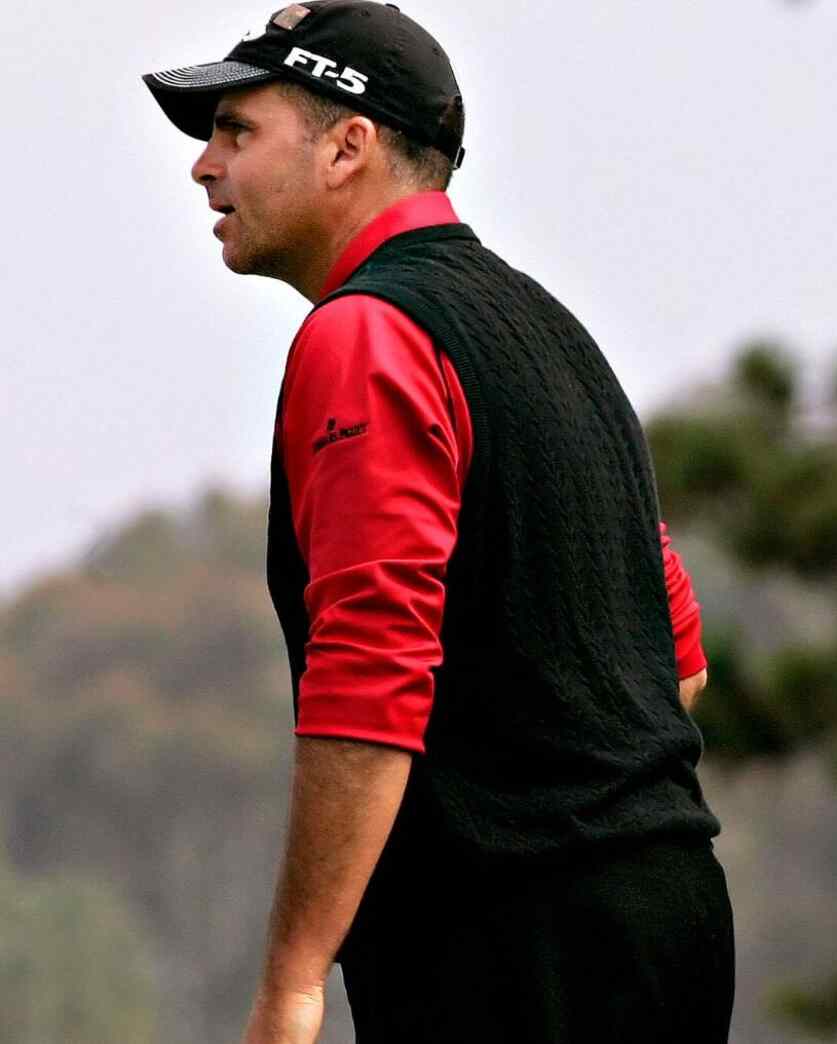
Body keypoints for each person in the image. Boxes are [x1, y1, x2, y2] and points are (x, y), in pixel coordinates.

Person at [143, 4, 733, 1041]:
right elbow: (674, 664)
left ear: (347, 146)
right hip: (668, 916)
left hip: (508, 948)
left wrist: (291, 979)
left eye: (236, 131)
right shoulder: (550, 330)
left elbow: (371, 679)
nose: (203, 165)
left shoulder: (366, 333)